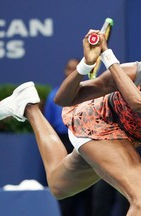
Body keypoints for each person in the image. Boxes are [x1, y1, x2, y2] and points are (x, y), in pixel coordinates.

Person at [0, 24, 141, 215]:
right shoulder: (134, 71)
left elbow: (140, 102)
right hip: (97, 122)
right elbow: (64, 99)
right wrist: (86, 64)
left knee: (59, 186)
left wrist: (108, 56)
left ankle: (29, 106)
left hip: (123, 140)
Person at [44, 58, 95, 216]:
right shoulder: (54, 95)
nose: (72, 71)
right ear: (65, 71)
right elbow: (49, 123)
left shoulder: (91, 93)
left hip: (85, 140)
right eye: (69, 68)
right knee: (65, 190)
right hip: (63, 141)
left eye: (75, 68)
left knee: (89, 190)